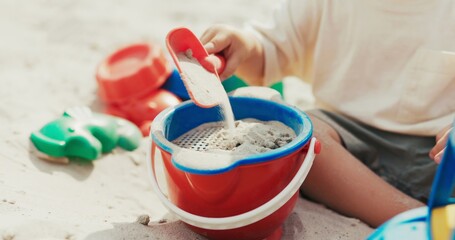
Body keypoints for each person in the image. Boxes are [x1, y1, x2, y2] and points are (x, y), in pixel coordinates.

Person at [199, 0, 455, 227]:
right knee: (303, 138)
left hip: (437, 156)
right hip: (345, 150)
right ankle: (419, 219)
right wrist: (245, 47)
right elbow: (270, 53)